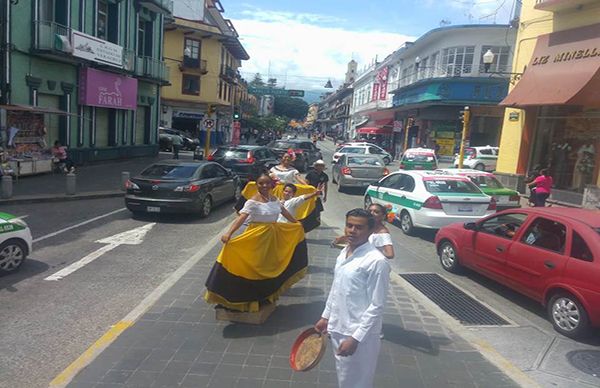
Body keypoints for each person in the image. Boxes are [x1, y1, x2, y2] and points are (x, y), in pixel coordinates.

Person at [315, 208, 390, 388]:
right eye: (349, 225)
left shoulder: (376, 262)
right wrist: (326, 316)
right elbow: (337, 288)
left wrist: (356, 338)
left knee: (358, 382)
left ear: (370, 231)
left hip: (359, 335)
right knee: (345, 378)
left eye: (359, 227)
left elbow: (377, 305)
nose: (352, 231)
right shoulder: (344, 252)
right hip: (338, 326)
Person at [222, 173, 297, 241]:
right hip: (256, 235)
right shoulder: (252, 202)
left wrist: (295, 222)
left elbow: (284, 211)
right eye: (261, 183)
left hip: (271, 234)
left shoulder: (274, 199)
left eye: (267, 183)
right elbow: (241, 218)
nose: (265, 185)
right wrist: (229, 233)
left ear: (271, 184)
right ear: (256, 185)